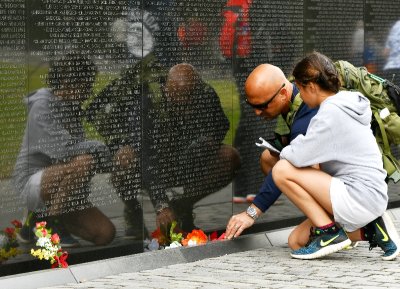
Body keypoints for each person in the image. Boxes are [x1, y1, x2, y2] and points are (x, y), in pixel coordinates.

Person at [231, 51, 400, 260]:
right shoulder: (344, 102)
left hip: (358, 196)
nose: (299, 96)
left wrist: (253, 211)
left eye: (300, 89)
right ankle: (373, 230)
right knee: (296, 241)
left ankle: (329, 232)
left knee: (282, 168)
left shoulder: (329, 113)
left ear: (311, 87)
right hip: (367, 195)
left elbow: (298, 157)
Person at [13, 52, 116, 246]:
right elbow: (64, 151)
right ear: (69, 83)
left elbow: (81, 155)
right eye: (87, 86)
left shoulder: (72, 107)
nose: (89, 92)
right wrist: (102, 148)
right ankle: (50, 222)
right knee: (84, 161)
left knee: (105, 234)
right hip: (32, 182)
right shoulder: (42, 107)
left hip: (62, 188)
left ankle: (34, 221)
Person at [225, 63, 318, 238]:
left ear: (282, 94)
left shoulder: (306, 113)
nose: (257, 113)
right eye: (251, 105)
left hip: (352, 184)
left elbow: (286, 167)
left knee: (295, 241)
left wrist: (251, 213)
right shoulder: (295, 94)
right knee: (268, 158)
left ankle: (334, 224)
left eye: (263, 106)